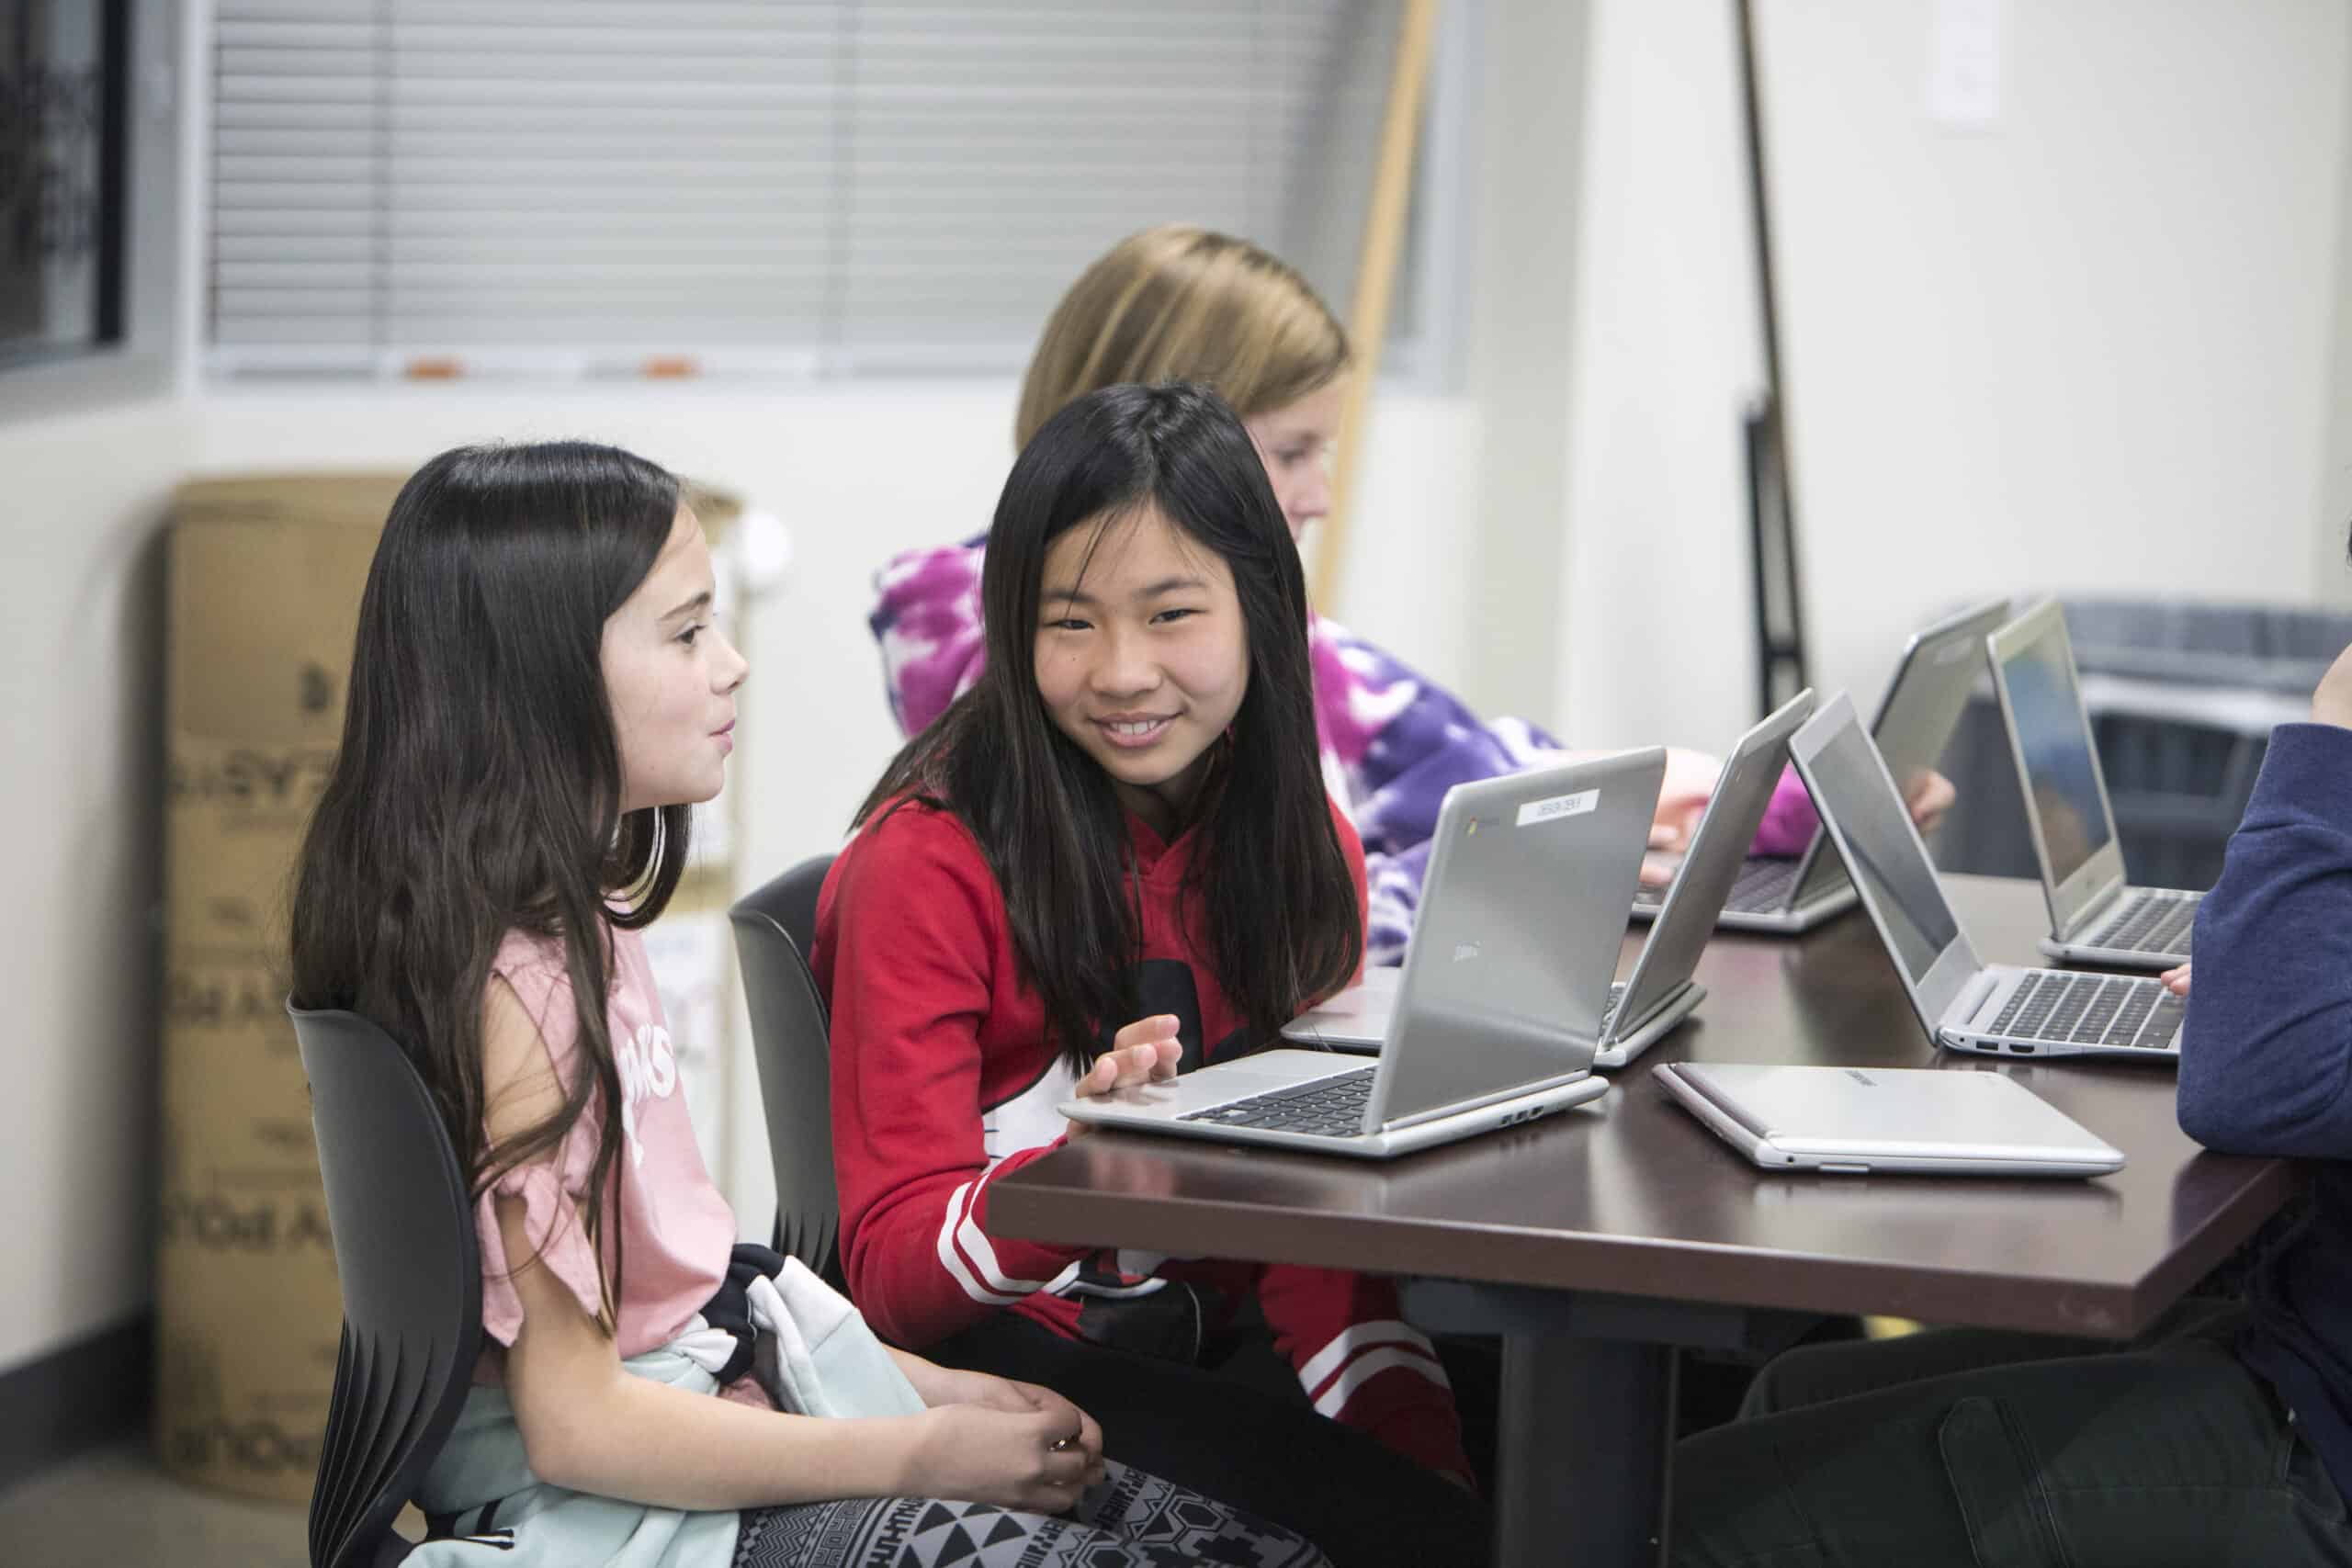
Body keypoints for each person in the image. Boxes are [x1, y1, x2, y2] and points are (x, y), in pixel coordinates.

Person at [288, 440, 1329, 1568]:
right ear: (532, 677)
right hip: (634, 1498)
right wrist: (918, 1454)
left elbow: (681, 1302)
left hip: (722, 1397)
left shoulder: (576, 918)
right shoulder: (518, 993)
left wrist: (930, 1395)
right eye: (686, 634)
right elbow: (580, 1422)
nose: (731, 665)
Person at [817, 384, 1491, 1568]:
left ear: (1263, 608)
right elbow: (889, 1277)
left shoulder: (1294, 843)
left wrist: (1404, 1432)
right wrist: (1089, 1177)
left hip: (1220, 1325)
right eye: (1069, 622)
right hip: (1018, 1366)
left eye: (1171, 614)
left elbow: (1295, 1213)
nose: (1123, 672)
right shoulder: (924, 863)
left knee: (1555, 1439)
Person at [868, 223, 1834, 964]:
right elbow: (1222, 949)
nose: (1318, 494)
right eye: (1290, 452)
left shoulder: (1262, 633)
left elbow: (1488, 769)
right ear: (1159, 435)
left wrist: (1794, 803)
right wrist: (1514, 866)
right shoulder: (1014, 663)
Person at [1662, 565, 2352, 1567]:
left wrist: (2332, 733)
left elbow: (2259, 1083)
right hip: (2295, 1337)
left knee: (1702, 1522)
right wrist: (2282, 979)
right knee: (1793, 1397)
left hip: (2323, 1441)